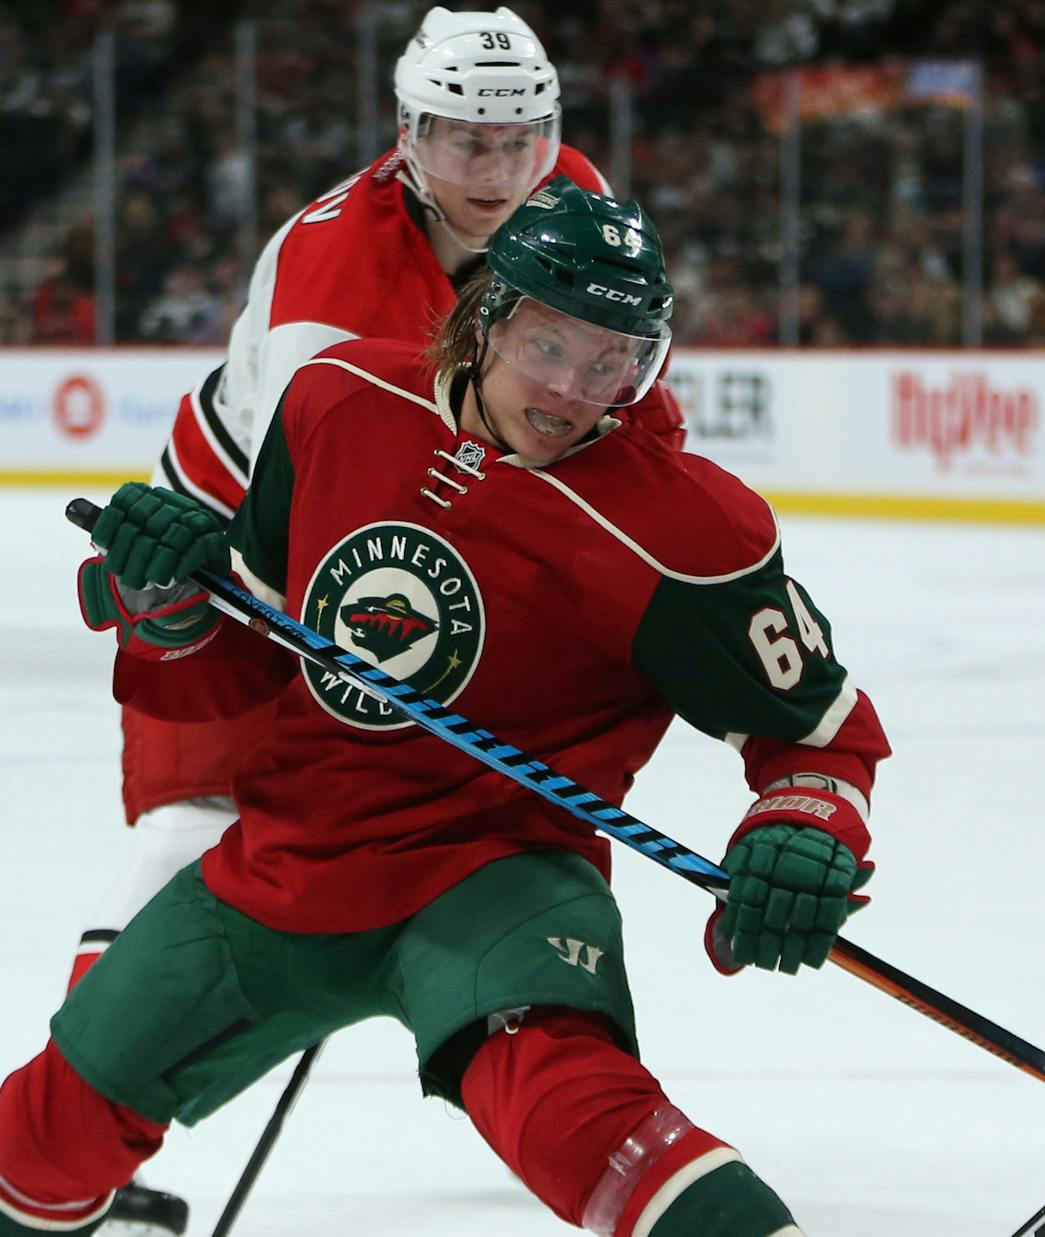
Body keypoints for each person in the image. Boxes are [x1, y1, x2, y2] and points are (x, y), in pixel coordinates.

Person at [0, 179, 889, 1237]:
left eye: (614, 357)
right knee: (37, 1138)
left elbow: (822, 736)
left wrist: (802, 828)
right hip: (290, 861)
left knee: (578, 1113)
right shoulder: (335, 401)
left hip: (496, 874)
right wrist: (172, 614)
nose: (574, 390)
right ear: (485, 316)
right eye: (550, 345)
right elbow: (245, 672)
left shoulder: (684, 528)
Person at [80, 8, 683, 1226]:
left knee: (492, 838)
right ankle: (91, 1134)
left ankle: (546, 1072)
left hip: (404, 528)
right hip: (244, 531)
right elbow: (305, 512)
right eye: (464, 140)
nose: (497, 170)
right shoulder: (326, 285)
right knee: (197, 820)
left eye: (519, 138)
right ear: (406, 134)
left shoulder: (572, 194)